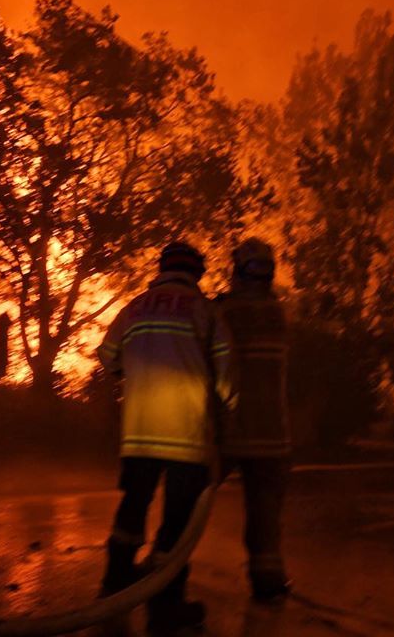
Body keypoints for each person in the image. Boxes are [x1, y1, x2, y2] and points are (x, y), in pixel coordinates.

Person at [97, 241, 234, 634]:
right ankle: (166, 607)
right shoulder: (206, 312)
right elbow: (227, 377)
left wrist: (131, 370)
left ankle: (114, 583)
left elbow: (107, 356)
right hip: (185, 438)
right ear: (197, 273)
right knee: (176, 523)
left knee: (132, 509)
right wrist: (231, 417)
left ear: (162, 269)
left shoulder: (133, 307)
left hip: (137, 435)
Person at [216, 238, 293, 601]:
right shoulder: (279, 313)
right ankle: (268, 584)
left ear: (237, 269)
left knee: (190, 500)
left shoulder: (226, 313)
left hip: (228, 430)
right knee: (265, 515)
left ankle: (166, 572)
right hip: (273, 435)